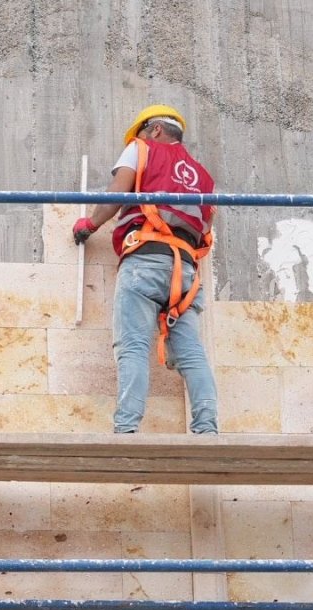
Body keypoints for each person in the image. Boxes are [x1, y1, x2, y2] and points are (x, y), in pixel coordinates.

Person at [72, 104, 218, 434]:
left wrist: (90, 224)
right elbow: (206, 226)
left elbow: (116, 194)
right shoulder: (204, 177)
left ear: (153, 130)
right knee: (192, 354)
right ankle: (207, 430)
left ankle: (126, 431)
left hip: (145, 260)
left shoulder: (141, 148)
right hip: (185, 272)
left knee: (133, 347)